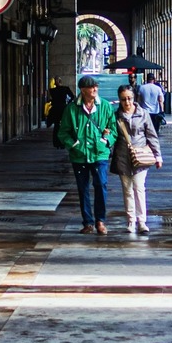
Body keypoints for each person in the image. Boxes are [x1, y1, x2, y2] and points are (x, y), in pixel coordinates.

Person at [56, 75, 116, 235]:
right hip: (79, 155)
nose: (95, 89)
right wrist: (74, 145)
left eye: (96, 86)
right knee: (83, 189)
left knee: (101, 185)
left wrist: (106, 140)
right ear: (83, 90)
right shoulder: (71, 109)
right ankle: (88, 222)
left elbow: (113, 128)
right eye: (91, 87)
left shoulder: (104, 106)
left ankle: (100, 221)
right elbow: (63, 133)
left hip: (99, 154)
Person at [111, 84, 162, 234]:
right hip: (122, 157)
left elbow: (152, 135)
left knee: (139, 188)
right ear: (119, 100)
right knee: (127, 190)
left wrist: (157, 155)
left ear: (134, 98)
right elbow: (112, 136)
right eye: (123, 99)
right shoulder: (116, 116)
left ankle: (142, 221)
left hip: (140, 156)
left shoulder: (143, 114)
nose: (127, 102)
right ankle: (131, 221)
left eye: (129, 98)